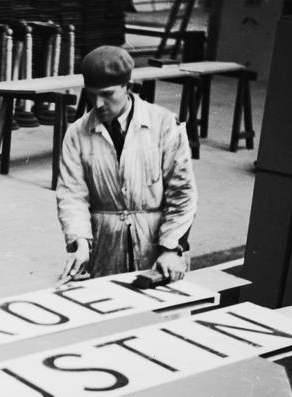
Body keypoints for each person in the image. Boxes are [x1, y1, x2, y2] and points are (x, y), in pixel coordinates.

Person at [55, 45, 197, 281]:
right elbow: (72, 195)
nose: (98, 104)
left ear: (128, 87)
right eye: (92, 94)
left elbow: (182, 193)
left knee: (163, 315)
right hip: (104, 246)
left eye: (107, 94)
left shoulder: (163, 124)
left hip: (159, 248)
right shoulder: (77, 134)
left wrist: (171, 248)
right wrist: (80, 243)